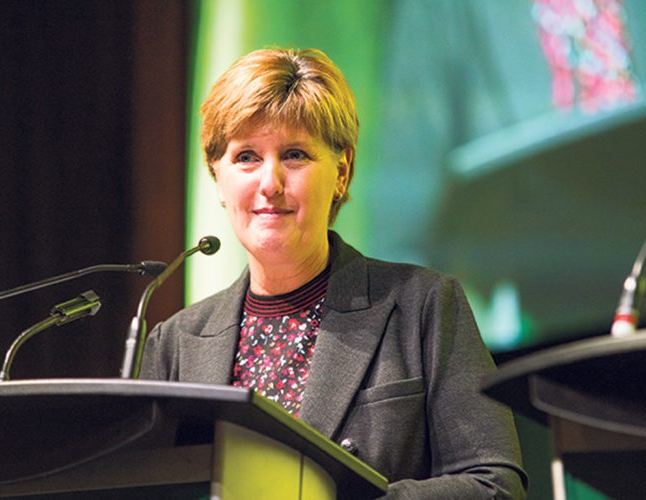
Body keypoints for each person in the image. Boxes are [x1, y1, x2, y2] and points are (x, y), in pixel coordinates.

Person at [141, 48, 528, 498]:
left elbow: (496, 486)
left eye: (295, 155)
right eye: (246, 157)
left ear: (341, 172)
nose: (270, 183)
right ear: (218, 177)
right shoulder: (173, 345)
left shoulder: (424, 306)